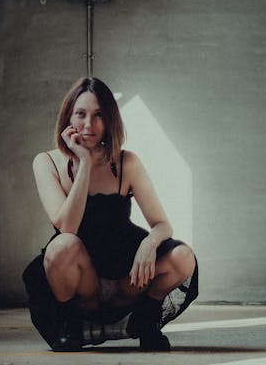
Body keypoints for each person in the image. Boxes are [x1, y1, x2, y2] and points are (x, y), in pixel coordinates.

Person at [23, 76, 198, 351]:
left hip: (124, 279)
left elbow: (163, 224)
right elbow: (67, 226)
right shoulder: (46, 163)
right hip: (80, 280)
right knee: (61, 246)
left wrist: (149, 244)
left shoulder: (127, 162)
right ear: (68, 116)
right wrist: (84, 163)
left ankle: (146, 320)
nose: (89, 125)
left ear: (110, 121)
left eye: (99, 115)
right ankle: (71, 325)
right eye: (80, 114)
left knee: (183, 257)